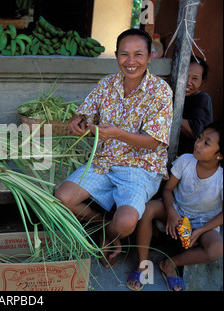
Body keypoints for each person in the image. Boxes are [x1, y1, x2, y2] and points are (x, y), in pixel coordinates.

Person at [55, 28, 173, 268]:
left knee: (127, 222)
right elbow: (86, 111)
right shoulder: (107, 83)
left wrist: (119, 134)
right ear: (116, 55)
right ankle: (105, 227)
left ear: (150, 56)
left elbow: (155, 140)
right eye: (124, 54)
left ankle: (109, 236)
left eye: (138, 54)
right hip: (104, 161)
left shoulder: (160, 91)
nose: (130, 62)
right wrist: (78, 120)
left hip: (140, 167)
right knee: (63, 197)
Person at [127, 122, 223, 291]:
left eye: (206, 143)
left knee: (217, 249)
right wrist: (171, 211)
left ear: (219, 155)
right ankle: (143, 265)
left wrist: (201, 230)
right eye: (199, 138)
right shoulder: (186, 161)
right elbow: (168, 189)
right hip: (177, 210)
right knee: (148, 208)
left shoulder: (221, 178)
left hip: (203, 221)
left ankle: (170, 264)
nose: (198, 144)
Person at [178, 56, 213, 155]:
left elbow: (195, 131)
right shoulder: (169, 93)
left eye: (195, 79)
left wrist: (167, 114)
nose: (188, 82)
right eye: (185, 76)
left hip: (186, 157)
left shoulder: (202, 99)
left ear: (202, 82)